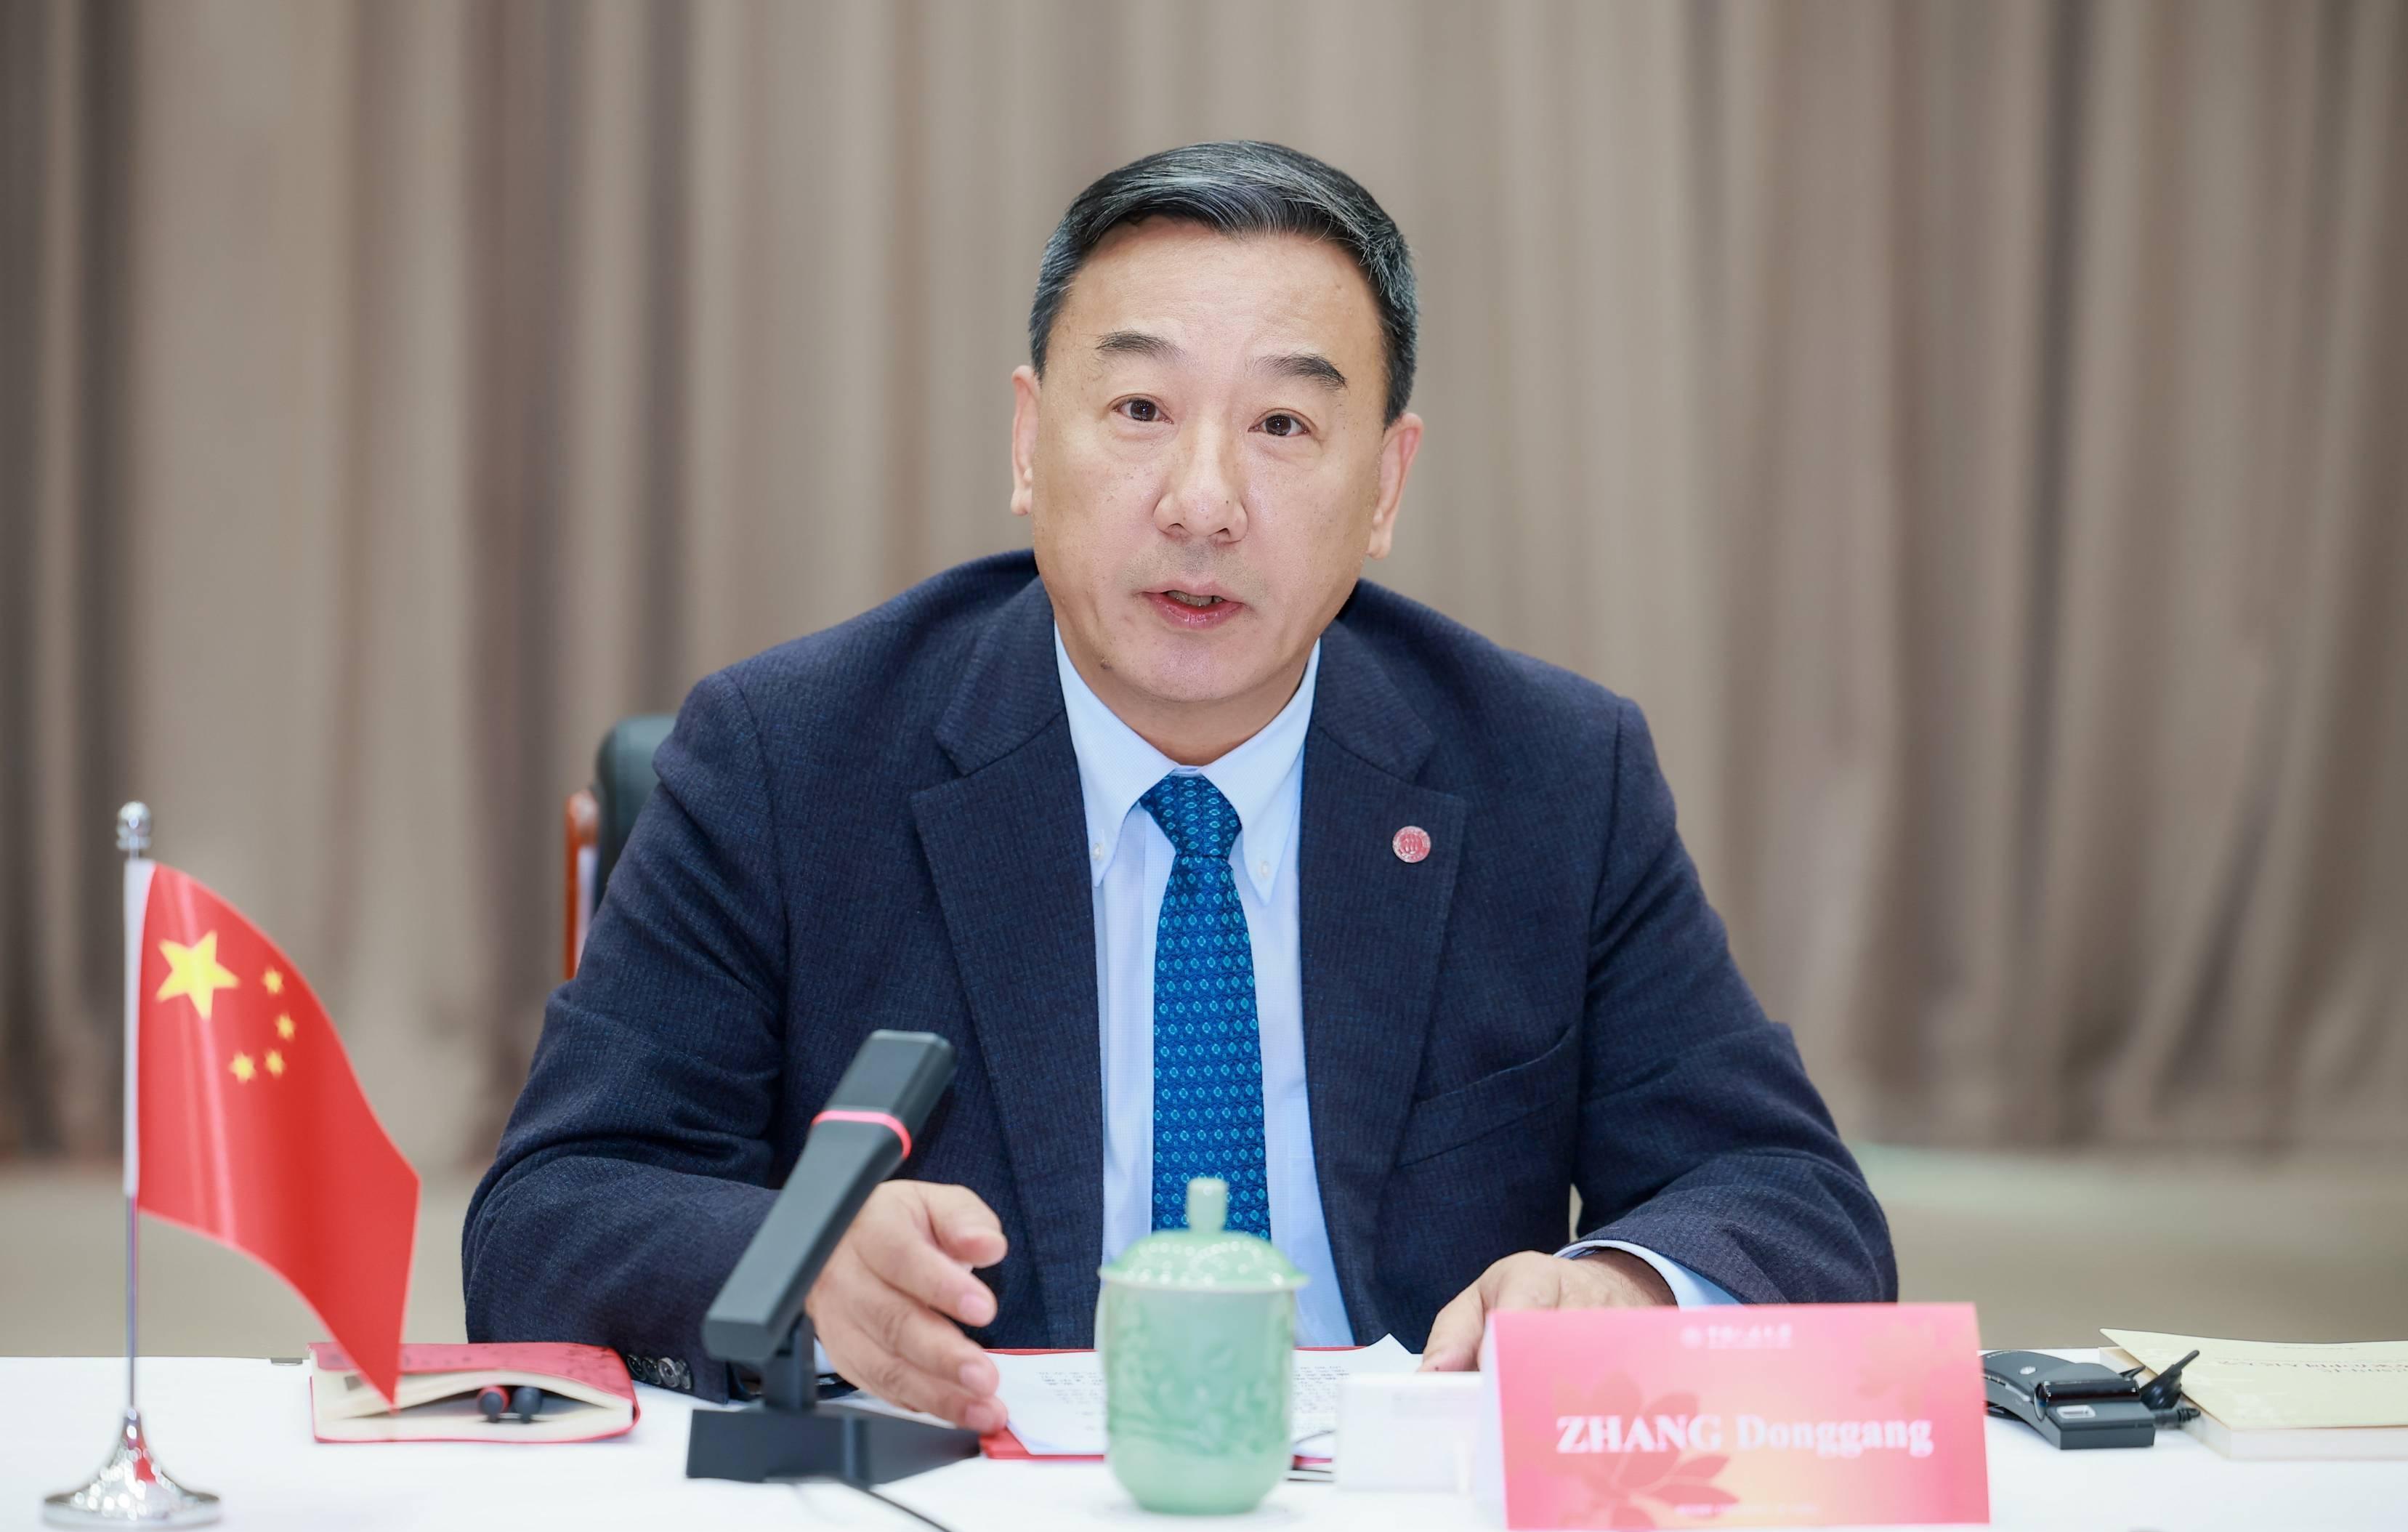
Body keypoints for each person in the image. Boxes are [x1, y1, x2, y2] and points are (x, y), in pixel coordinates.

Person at [464, 141, 1894, 1429]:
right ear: (1030, 443)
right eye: (1140, 406)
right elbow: (545, 1215)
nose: (1202, 501)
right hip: (975, 1522)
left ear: (1386, 486)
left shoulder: (1551, 777)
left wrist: (1624, 1291)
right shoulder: (791, 759)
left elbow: (1795, 1201)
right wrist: (801, 1265)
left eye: (1283, 427)